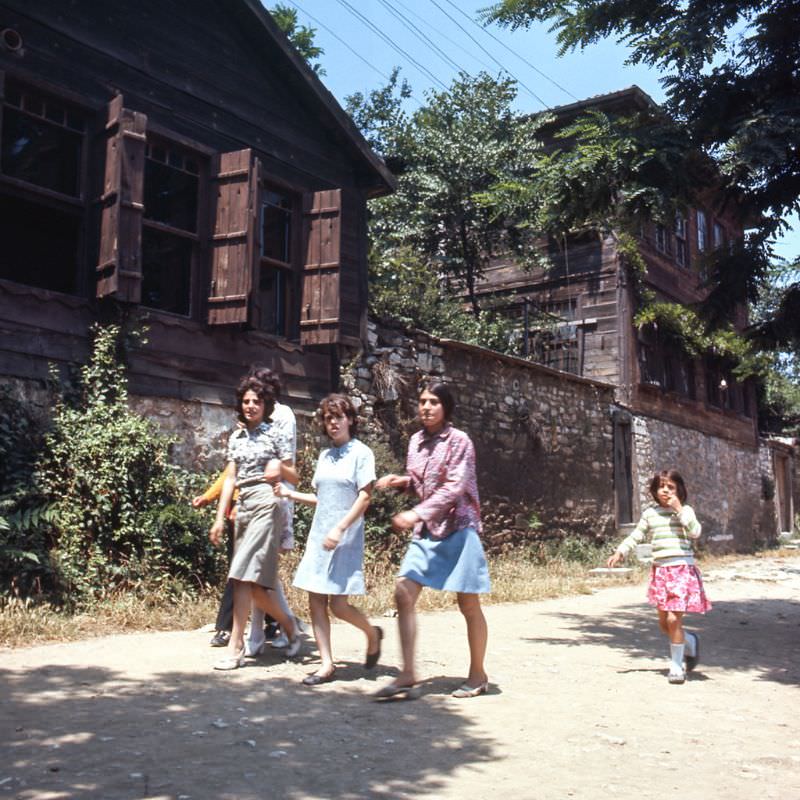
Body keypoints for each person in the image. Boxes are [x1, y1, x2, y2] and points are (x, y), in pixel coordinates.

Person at [374, 383, 491, 700]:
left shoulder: (460, 441)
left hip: (460, 527)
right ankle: (408, 673)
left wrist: (414, 513)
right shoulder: (415, 442)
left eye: (433, 402)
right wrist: (401, 483)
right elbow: (421, 483)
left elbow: (454, 488)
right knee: (403, 591)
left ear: (446, 407)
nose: (425, 407)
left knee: (468, 604)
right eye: (422, 401)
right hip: (428, 528)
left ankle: (478, 675)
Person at [193, 366, 298, 652]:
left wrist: (281, 470)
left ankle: (237, 641)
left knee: (243, 574)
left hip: (267, 503)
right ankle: (283, 627)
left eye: (257, 399)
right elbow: (230, 477)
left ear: (267, 402)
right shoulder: (236, 438)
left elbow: (293, 474)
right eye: (247, 400)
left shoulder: (277, 430)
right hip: (243, 507)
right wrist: (217, 513)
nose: (251, 405)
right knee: (251, 579)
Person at [279, 394, 381, 685]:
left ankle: (372, 633)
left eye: (337, 417)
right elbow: (321, 498)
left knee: (338, 605)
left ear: (350, 419)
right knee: (314, 598)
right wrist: (290, 494)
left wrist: (340, 528)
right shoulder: (324, 456)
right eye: (327, 418)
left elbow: (364, 497)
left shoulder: (362, 453)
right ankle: (326, 664)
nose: (333, 423)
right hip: (319, 535)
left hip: (345, 537)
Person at [607, 469, 711, 684]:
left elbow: (695, 532)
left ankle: (676, 666)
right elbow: (636, 535)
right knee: (665, 624)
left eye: (671, 487)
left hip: (681, 569)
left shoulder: (686, 510)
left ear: (679, 490)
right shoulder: (650, 514)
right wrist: (620, 551)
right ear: (655, 491)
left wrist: (679, 509)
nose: (666, 490)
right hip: (661, 572)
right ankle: (689, 641)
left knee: (674, 619)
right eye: (661, 486)